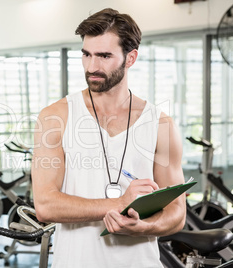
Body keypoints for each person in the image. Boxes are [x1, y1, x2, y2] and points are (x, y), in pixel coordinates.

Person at [31, 8, 186, 268]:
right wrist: (119, 202)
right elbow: (46, 205)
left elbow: (177, 213)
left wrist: (143, 226)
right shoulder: (55, 117)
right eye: (86, 54)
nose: (92, 66)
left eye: (104, 56)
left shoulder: (160, 124)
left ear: (130, 58)